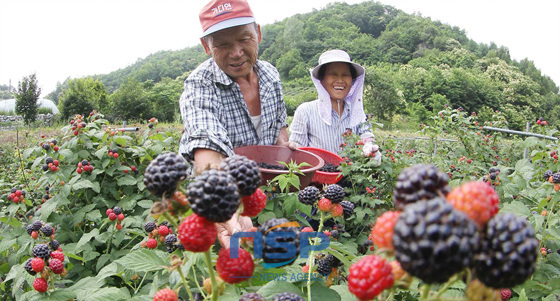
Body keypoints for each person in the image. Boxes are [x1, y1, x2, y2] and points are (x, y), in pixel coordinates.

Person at [178, 0, 290, 247]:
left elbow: (280, 122)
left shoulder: (271, 76)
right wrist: (223, 205)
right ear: (207, 47)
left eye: (244, 39)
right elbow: (207, 146)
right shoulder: (199, 85)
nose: (236, 52)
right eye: (223, 44)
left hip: (269, 197)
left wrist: (284, 141)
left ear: (258, 34)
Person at [289, 49, 381, 162]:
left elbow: (366, 136)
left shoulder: (357, 113)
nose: (340, 80)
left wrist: (370, 147)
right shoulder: (305, 111)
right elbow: (298, 150)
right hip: (316, 177)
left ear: (352, 80)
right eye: (333, 74)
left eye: (345, 75)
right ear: (321, 80)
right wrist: (294, 148)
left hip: (350, 178)